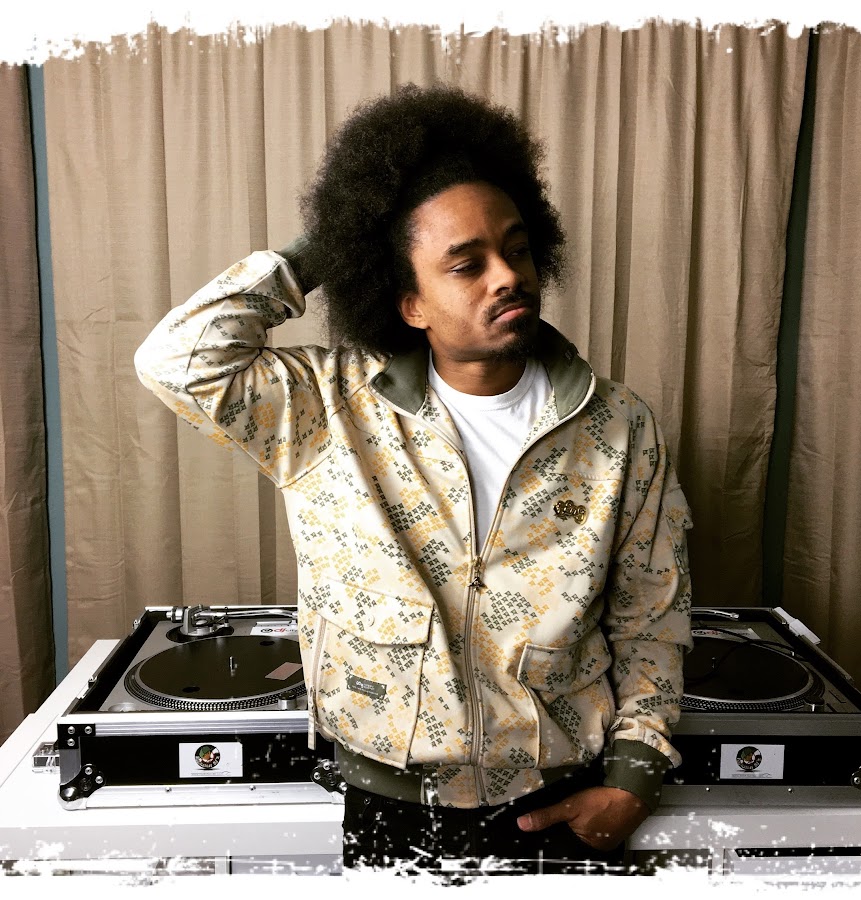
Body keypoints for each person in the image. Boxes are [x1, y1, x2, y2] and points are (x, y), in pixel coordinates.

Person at [134, 83, 693, 876]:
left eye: (518, 249)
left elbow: (651, 619)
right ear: (409, 303)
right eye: (466, 264)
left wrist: (634, 778)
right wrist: (336, 243)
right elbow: (176, 360)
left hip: (564, 800)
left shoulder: (619, 426)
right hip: (389, 807)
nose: (507, 276)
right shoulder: (324, 408)